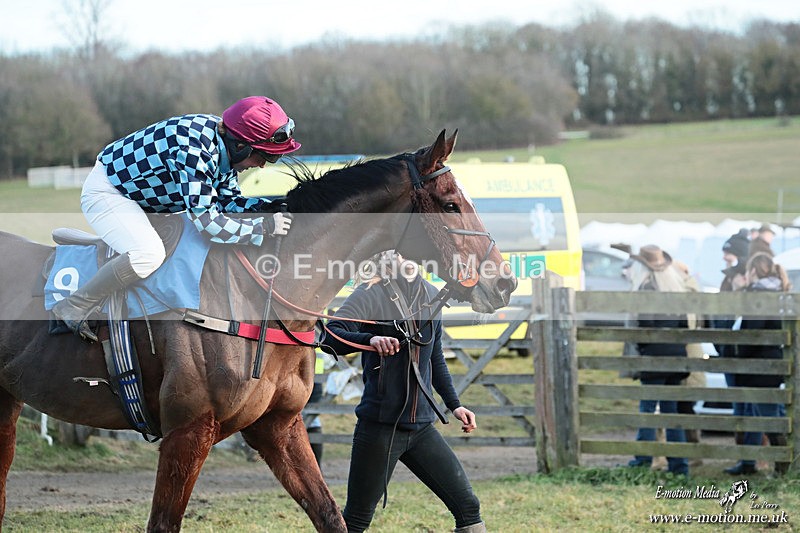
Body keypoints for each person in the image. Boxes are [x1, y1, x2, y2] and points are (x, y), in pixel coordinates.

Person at [52, 96, 299, 341]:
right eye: (265, 156)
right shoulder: (194, 149)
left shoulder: (222, 142)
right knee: (148, 254)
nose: (263, 166)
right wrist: (263, 228)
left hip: (141, 200)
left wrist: (273, 206)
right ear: (240, 146)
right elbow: (209, 225)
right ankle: (73, 306)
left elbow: (229, 203)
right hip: (108, 192)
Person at [321, 251, 484, 533]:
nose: (406, 256)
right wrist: (370, 339)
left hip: (422, 429)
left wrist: (454, 404)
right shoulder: (370, 293)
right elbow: (330, 336)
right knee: (356, 520)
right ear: (387, 256)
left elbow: (435, 357)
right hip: (380, 429)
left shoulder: (431, 294)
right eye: (398, 251)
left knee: (468, 508)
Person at [625, 245, 690, 476]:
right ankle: (679, 466)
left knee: (649, 408)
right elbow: (684, 326)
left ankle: (642, 460)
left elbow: (645, 327)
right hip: (676, 357)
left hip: (654, 358)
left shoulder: (645, 289)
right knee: (671, 412)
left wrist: (643, 349)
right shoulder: (675, 290)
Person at [724, 253, 791, 475]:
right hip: (771, 361)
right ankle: (748, 463)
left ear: (754, 271)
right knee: (758, 414)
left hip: (759, 364)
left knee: (769, 416)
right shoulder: (779, 292)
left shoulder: (759, 295)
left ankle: (785, 466)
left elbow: (752, 332)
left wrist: (735, 350)